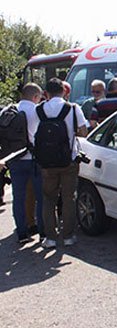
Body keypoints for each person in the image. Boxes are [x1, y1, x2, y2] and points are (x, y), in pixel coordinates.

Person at [36, 78, 89, 248]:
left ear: (47, 93)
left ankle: (50, 238)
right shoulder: (73, 108)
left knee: (48, 199)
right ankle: (68, 236)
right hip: (68, 161)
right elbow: (83, 132)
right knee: (69, 198)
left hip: (46, 162)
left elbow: (33, 135)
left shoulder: (39, 110)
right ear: (64, 91)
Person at [5, 83, 45, 244]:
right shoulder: (36, 111)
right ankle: (43, 233)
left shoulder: (8, 111)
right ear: (35, 96)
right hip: (34, 159)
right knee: (40, 197)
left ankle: (22, 233)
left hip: (14, 160)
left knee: (18, 197)